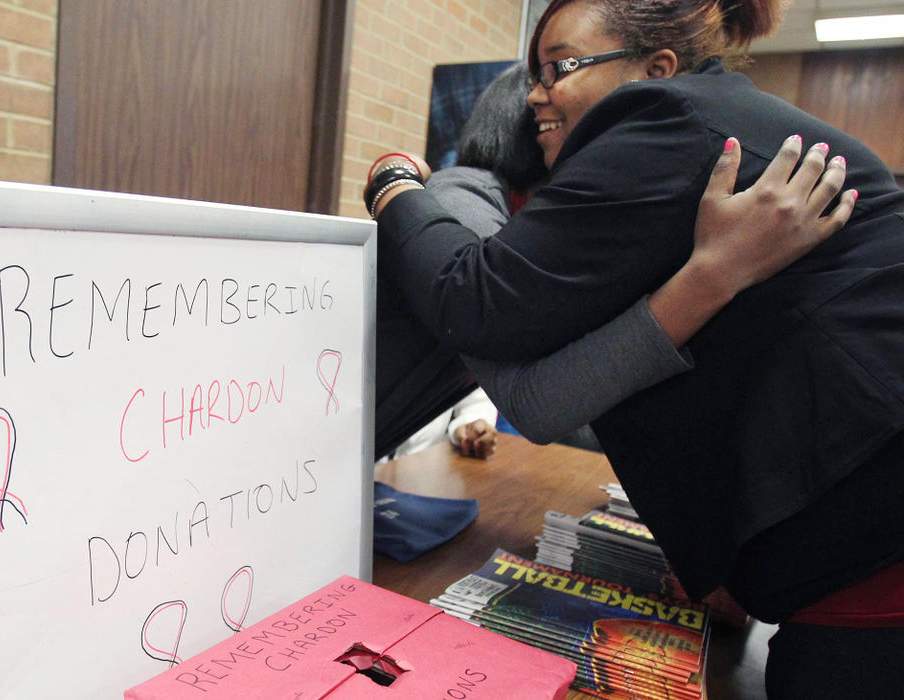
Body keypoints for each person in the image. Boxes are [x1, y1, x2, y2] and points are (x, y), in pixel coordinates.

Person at [365, 1, 904, 696]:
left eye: (560, 66)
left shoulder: (665, 117)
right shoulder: (675, 162)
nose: (537, 92)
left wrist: (393, 182)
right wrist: (711, 276)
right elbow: (541, 394)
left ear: (656, 69)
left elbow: (477, 301)